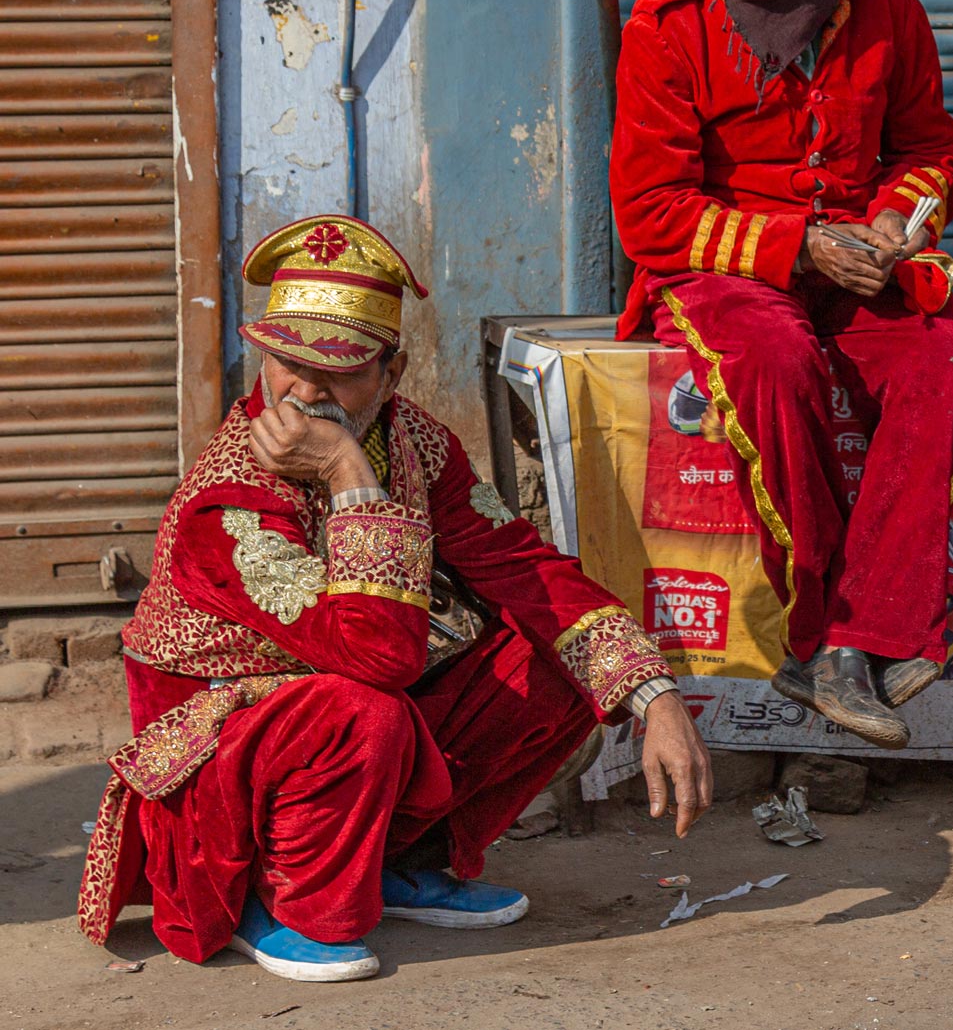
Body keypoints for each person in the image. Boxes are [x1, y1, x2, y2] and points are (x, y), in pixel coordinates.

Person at [76, 216, 713, 983]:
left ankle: (403, 859)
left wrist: (653, 694)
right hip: (221, 774)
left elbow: (521, 565)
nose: (305, 392)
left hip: (345, 714)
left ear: (394, 372)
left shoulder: (411, 438)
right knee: (360, 711)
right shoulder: (230, 499)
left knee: (564, 661)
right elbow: (377, 657)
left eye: (339, 370)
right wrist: (348, 472)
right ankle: (278, 899)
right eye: (286, 362)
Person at [610, 0, 953, 751]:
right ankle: (819, 632)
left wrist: (898, 221)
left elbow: (933, 149)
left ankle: (873, 635)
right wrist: (795, 246)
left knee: (939, 354)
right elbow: (649, 214)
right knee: (775, 361)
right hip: (729, 275)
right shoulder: (666, 23)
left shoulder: (887, 6)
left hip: (854, 266)